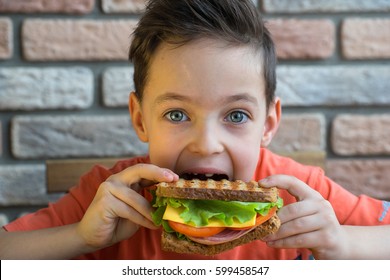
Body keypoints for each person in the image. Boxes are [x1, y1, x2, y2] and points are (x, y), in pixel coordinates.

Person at [1, 0, 389, 260]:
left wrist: (344, 241)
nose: (206, 146)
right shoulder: (112, 196)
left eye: (236, 116)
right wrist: (81, 237)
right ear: (140, 119)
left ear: (267, 125)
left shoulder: (295, 196)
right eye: (176, 114)